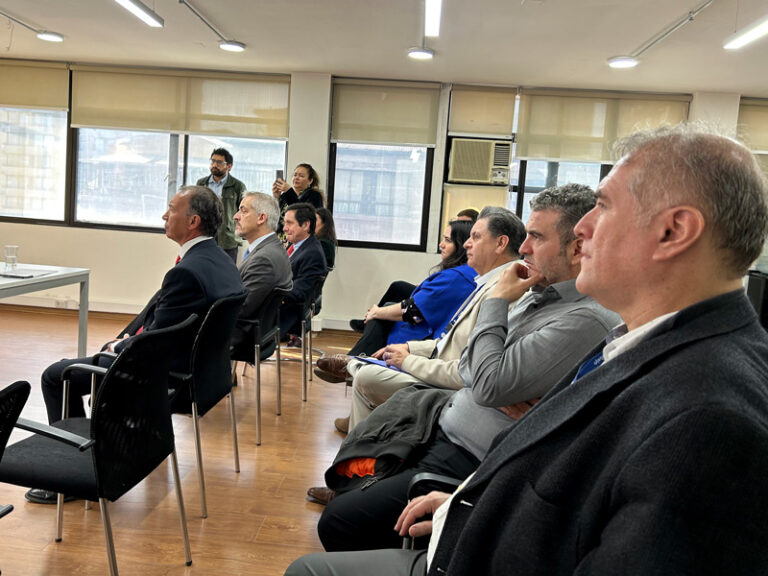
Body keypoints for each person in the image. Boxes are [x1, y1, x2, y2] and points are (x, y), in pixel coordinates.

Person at [285, 124, 768, 576]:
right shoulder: (650, 344)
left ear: (674, 231)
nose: (583, 229)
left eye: (604, 207)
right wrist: (464, 502)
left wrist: (472, 518)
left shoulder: (710, 415)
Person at [310, 184, 619, 552]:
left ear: (577, 246)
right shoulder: (537, 292)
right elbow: (475, 363)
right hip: (443, 425)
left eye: (536, 236)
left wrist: (498, 305)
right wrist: (491, 374)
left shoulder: (583, 317)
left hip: (470, 457)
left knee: (340, 522)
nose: (525, 247)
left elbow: (486, 384)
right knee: (353, 480)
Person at [30, 186, 244, 505]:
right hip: (204, 375)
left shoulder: (187, 271)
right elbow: (162, 318)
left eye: (171, 209)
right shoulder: (221, 261)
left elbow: (156, 345)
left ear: (193, 221)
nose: (164, 214)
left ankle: (75, 477)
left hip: (164, 377)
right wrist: (126, 339)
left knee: (55, 376)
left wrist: (118, 348)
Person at [332, 207, 526, 434]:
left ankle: (362, 444)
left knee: (366, 374)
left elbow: (468, 367)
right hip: (438, 359)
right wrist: (408, 348)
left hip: (453, 384)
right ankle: (362, 442)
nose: (466, 245)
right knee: (366, 370)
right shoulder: (486, 281)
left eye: (476, 237)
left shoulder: (505, 290)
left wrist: (407, 360)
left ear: (500, 244)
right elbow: (450, 339)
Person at [316, 220, 476, 383]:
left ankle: (354, 363)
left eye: (447, 240)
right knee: (390, 300)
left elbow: (413, 311)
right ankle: (354, 362)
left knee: (382, 312)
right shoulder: (468, 274)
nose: (441, 244)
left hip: (427, 341)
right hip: (435, 333)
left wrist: (376, 312)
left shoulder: (456, 277)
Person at [230, 192, 293, 355]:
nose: (236, 216)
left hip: (242, 336)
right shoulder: (270, 248)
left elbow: (241, 309)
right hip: (256, 331)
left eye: (243, 211)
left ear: (261, 218)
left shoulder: (264, 259)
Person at [279, 202, 328, 339]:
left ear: (306, 225)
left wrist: (269, 288)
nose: (284, 228)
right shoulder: (299, 246)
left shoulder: (312, 254)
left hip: (286, 315)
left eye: (289, 223)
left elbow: (299, 293)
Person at [195, 147, 247, 263]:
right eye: (212, 161)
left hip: (227, 238)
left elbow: (243, 212)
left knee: (226, 272)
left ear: (229, 166)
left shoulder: (237, 186)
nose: (214, 165)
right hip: (204, 234)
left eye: (219, 162)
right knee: (203, 268)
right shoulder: (202, 183)